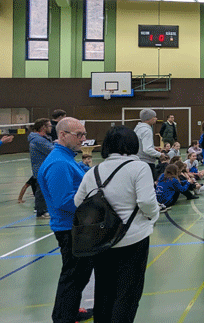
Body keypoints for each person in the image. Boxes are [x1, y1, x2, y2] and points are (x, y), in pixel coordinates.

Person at [74, 126, 158, 323]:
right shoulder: (139, 167)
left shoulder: (94, 171)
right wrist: (152, 217)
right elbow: (146, 201)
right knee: (127, 294)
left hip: (101, 241)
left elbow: (79, 202)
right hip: (132, 239)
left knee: (104, 290)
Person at [36, 117, 94, 323]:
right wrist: (94, 203)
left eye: (84, 134)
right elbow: (65, 200)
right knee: (73, 277)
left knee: (78, 276)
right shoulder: (59, 163)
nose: (83, 139)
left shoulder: (67, 158)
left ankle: (69, 310)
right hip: (70, 228)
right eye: (79, 135)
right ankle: (64, 318)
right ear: (62, 135)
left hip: (76, 227)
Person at [29, 118, 54, 217]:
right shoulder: (38, 140)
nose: (51, 128)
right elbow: (51, 150)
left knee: (45, 189)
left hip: (44, 167)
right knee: (41, 190)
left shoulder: (43, 138)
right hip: (40, 168)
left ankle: (44, 209)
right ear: (43, 127)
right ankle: (41, 211)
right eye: (49, 126)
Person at [134, 109, 160, 183]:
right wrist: (160, 155)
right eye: (154, 117)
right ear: (150, 119)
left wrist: (153, 148)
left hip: (138, 160)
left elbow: (141, 144)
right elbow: (147, 149)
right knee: (150, 183)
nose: (156, 118)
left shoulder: (138, 128)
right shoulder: (146, 130)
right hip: (146, 162)